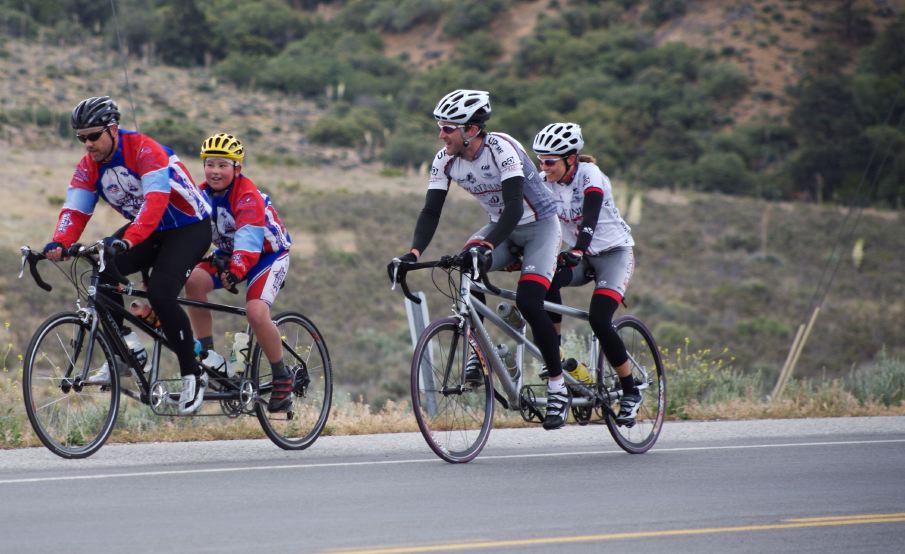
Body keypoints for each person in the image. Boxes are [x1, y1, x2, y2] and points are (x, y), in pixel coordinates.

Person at [387, 89, 570, 430]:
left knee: (531, 302)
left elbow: (515, 206)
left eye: (448, 128)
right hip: (501, 226)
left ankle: (558, 387)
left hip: (539, 226)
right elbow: (430, 211)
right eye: (440, 127)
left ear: (470, 129)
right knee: (465, 267)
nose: (441, 135)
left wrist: (487, 245)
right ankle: (479, 351)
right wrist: (412, 253)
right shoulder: (444, 159)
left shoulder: (502, 148)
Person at [43, 96, 212, 415]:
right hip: (149, 229)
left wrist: (128, 240)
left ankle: (194, 373)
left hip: (188, 227)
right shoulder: (88, 166)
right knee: (102, 267)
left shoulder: (146, 151)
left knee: (162, 293)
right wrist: (59, 242)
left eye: (93, 136)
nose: (88, 144)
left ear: (113, 129)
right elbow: (75, 210)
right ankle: (126, 351)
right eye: (81, 138)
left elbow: (155, 204)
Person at [532, 122, 641, 425]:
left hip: (613, 254)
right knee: (545, 282)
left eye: (550, 161)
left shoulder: (589, 175)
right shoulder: (545, 182)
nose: (544, 167)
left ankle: (630, 390)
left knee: (599, 319)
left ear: (571, 158)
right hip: (580, 255)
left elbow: (590, 216)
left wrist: (579, 248)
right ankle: (555, 351)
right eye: (540, 160)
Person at [183, 133, 294, 412]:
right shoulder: (201, 194)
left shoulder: (247, 195)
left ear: (237, 168)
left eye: (223, 165)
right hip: (229, 255)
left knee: (256, 312)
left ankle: (282, 375)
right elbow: (184, 231)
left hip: (268, 255)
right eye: (210, 164)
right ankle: (208, 356)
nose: (215, 171)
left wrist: (236, 270)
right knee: (193, 281)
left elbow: (248, 241)